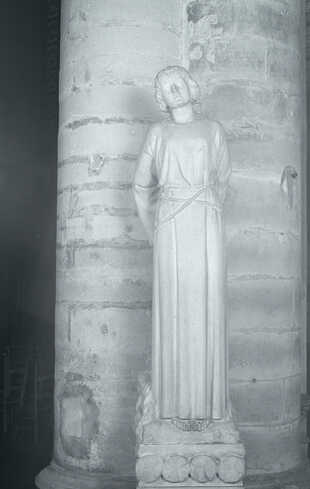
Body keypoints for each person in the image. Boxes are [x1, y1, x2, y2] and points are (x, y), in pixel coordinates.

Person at [133, 66, 231, 427]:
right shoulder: (158, 133)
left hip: (205, 222)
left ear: (191, 86)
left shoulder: (212, 130)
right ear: (160, 98)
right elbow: (140, 186)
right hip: (169, 226)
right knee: (172, 304)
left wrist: (208, 211)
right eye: (165, 87)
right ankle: (170, 402)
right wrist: (154, 231)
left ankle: (208, 404)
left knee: (207, 300)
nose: (172, 89)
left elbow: (223, 180)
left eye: (177, 83)